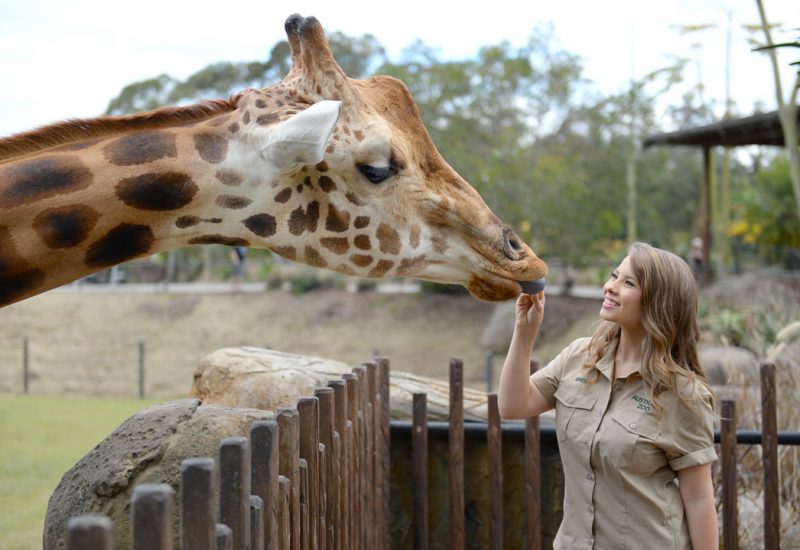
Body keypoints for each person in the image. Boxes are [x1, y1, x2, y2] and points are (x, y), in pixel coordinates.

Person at [498, 242, 718, 549]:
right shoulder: (579, 356)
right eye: (614, 276)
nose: (610, 287)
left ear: (659, 302)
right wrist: (524, 331)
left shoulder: (683, 395)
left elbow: (698, 498)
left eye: (628, 283)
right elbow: (512, 405)